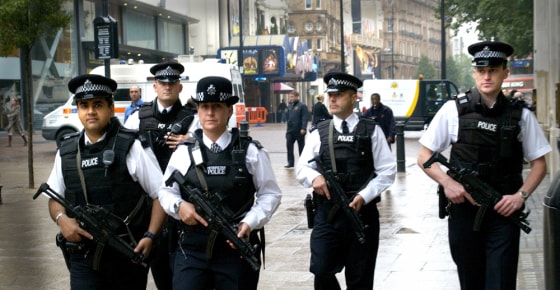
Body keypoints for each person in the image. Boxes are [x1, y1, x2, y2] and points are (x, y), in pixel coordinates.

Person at [416, 41, 551, 290]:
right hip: (464, 210)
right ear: (474, 72)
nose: (486, 76)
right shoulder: (453, 110)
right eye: (481, 70)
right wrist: (447, 182)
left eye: (493, 70)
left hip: (504, 210)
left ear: (505, 73)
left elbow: (539, 163)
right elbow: (424, 155)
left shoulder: (520, 115)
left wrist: (521, 196)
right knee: (470, 279)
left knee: (501, 281)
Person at [44, 74, 167, 289]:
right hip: (83, 256)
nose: (90, 111)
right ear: (78, 110)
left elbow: (160, 194)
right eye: (84, 105)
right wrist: (62, 219)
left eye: (98, 104)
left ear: (111, 109)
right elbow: (54, 197)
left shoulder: (132, 147)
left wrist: (150, 236)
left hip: (127, 253)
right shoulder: (66, 151)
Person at [159, 76, 282, 290]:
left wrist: (249, 222)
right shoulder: (183, 152)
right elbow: (166, 191)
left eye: (217, 106)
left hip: (235, 246)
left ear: (229, 111)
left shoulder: (250, 152)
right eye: (204, 106)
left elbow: (270, 194)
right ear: (197, 110)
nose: (210, 113)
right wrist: (179, 207)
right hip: (193, 250)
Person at [296, 72, 396, 289]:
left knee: (360, 278)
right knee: (321, 270)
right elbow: (302, 168)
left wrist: (365, 195)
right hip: (328, 214)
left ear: (354, 98)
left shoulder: (371, 130)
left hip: (362, 214)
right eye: (330, 94)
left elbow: (387, 171)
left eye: (339, 95)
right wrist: (315, 177)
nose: (332, 99)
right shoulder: (319, 132)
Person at [124, 61, 197, 290]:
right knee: (155, 267)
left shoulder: (192, 119)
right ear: (154, 86)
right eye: (162, 83)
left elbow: (210, 146)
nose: (167, 87)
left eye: (172, 83)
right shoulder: (138, 118)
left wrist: (192, 141)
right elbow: (123, 153)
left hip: (182, 201)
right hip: (148, 206)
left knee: (184, 272)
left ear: (180, 87)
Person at [285, 90, 309, 168]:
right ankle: (290, 163)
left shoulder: (302, 106)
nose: (290, 98)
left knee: (301, 147)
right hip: (290, 130)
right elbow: (288, 117)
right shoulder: (290, 106)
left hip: (299, 130)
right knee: (289, 146)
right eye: (290, 97)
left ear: (296, 96)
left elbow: (305, 118)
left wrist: (303, 128)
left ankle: (303, 162)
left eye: (292, 96)